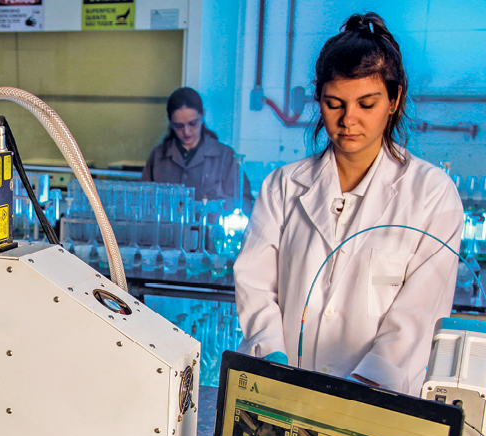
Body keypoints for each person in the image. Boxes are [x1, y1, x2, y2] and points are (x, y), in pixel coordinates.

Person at [234, 12, 463, 396]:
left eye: (366, 104)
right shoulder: (284, 187)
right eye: (334, 103)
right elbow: (255, 283)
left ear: (394, 100)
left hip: (378, 399)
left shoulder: (431, 195)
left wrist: (360, 391)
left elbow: (420, 312)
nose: (348, 120)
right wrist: (271, 355)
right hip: (289, 391)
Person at [142, 87, 254, 215]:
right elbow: (143, 200)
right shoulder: (158, 156)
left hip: (210, 233)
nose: (186, 131)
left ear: (203, 116)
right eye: (179, 125)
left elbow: (245, 203)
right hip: (167, 233)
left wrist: (215, 207)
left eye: (193, 123)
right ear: (170, 121)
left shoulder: (225, 156)